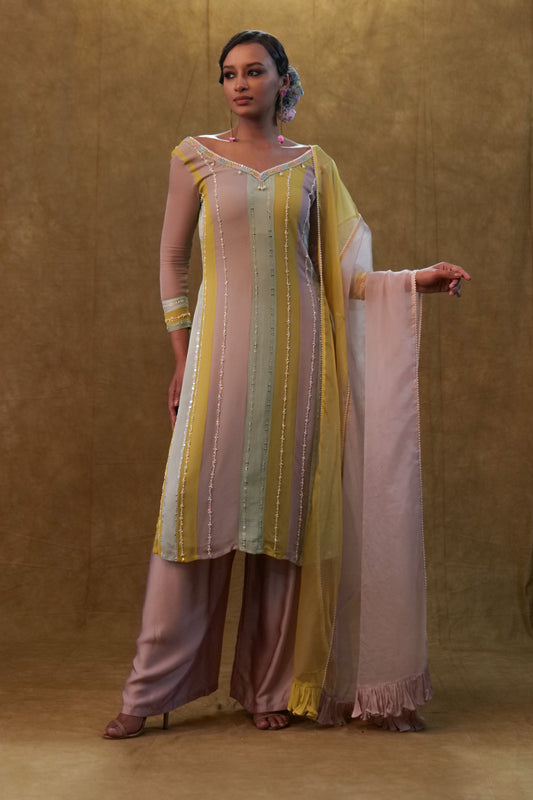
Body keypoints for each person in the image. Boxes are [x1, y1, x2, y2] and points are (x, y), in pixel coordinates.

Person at [103, 30, 470, 739]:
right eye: (228, 73)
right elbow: (172, 262)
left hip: (301, 364)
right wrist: (181, 358)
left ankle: (267, 687)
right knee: (191, 518)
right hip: (216, 361)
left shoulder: (313, 167)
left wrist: (415, 281)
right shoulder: (194, 156)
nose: (239, 84)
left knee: (283, 527)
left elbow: (344, 276)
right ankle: (148, 692)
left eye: (253, 71)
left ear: (282, 80)